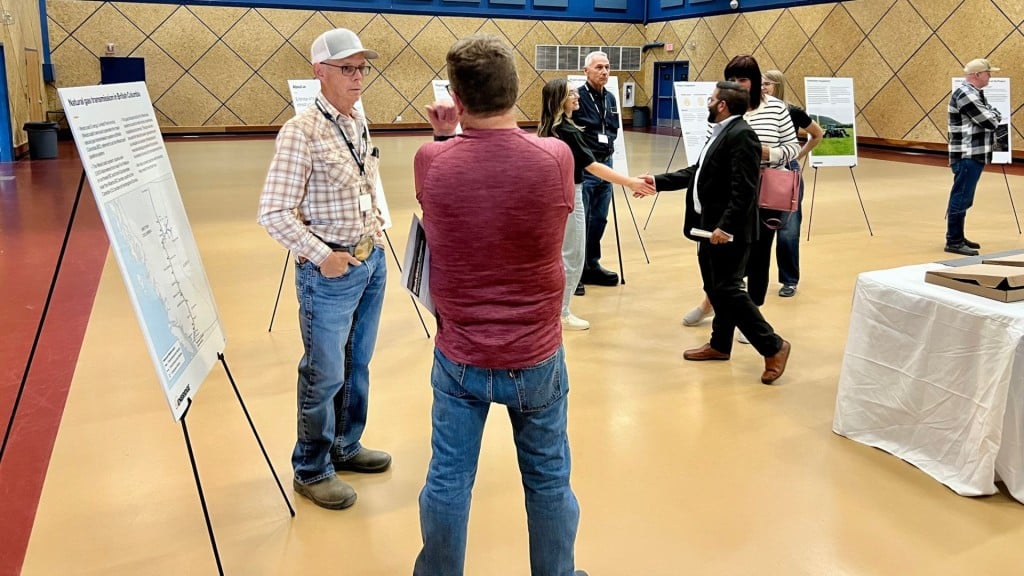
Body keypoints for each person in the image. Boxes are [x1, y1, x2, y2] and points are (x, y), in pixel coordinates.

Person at [413, 34, 587, 576]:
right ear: (515, 91)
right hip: (536, 355)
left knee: (447, 479)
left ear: (458, 101)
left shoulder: (431, 161)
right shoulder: (555, 157)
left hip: (460, 354)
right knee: (549, 479)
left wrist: (445, 133)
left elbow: (439, 170)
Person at [258, 28, 391, 511]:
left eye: (362, 69)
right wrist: (322, 255)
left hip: (369, 259)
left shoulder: (357, 120)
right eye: (347, 69)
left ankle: (346, 445)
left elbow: (364, 182)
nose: (358, 78)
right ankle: (312, 468)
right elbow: (273, 212)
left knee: (357, 366)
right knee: (324, 373)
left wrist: (376, 234)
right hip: (330, 273)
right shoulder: (301, 133)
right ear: (319, 72)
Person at [644, 81, 791, 385]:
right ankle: (720, 344)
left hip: (727, 231)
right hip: (706, 226)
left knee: (727, 289)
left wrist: (726, 226)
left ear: (722, 105)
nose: (707, 104)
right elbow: (695, 173)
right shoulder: (720, 133)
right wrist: (655, 182)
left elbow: (745, 190)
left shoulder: (742, 137)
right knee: (714, 287)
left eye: (710, 99)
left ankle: (773, 345)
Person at [681, 55, 800, 339]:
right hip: (724, 194)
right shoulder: (725, 108)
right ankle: (711, 303)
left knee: (758, 256)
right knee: (713, 255)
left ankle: (753, 314)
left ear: (756, 80)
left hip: (764, 191)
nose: (737, 85)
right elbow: (710, 149)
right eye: (732, 79)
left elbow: (793, 146)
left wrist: (770, 154)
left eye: (743, 79)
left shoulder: (777, 109)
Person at [538, 78, 654, 330]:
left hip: (556, 197)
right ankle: (562, 313)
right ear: (559, 100)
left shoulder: (550, 129)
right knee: (573, 255)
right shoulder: (567, 132)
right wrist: (630, 182)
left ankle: (555, 308)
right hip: (572, 195)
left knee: (563, 253)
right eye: (571, 94)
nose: (577, 97)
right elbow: (593, 167)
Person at [761, 69, 823, 297]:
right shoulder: (757, 110)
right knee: (760, 229)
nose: (763, 88)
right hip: (763, 173)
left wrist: (798, 156)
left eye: (767, 84)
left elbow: (817, 134)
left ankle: (789, 280)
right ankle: (755, 276)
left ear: (778, 85)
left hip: (786, 174)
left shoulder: (793, 111)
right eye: (761, 84)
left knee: (788, 230)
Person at [572, 50, 621, 290]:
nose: (604, 72)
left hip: (607, 163)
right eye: (599, 67)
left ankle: (592, 264)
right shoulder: (578, 98)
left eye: (607, 67)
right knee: (582, 220)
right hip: (587, 165)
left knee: (599, 218)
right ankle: (577, 270)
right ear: (586, 71)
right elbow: (579, 132)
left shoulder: (611, 98)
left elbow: (613, 129)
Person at [945, 58, 1002, 256]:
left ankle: (958, 236)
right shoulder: (966, 94)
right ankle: (954, 240)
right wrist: (994, 114)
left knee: (965, 197)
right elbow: (990, 121)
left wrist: (993, 114)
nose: (990, 76)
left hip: (973, 154)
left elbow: (992, 115)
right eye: (988, 73)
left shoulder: (974, 93)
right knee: (961, 197)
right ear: (977, 75)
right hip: (968, 154)